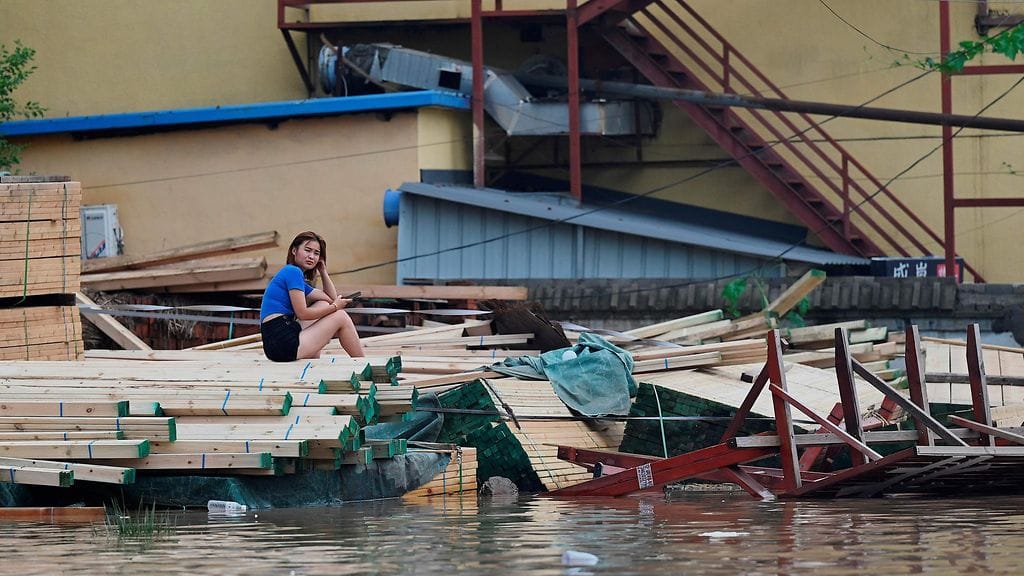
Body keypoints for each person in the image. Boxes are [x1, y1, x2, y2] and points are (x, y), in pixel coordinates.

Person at [260, 231, 365, 361]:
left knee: (323, 304)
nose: (312, 256)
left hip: (277, 342)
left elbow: (330, 298)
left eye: (316, 253)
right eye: (307, 250)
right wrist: (334, 307)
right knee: (341, 316)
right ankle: (362, 363)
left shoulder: (295, 276)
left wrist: (323, 271)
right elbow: (303, 313)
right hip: (282, 343)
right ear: (294, 250)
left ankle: (312, 356)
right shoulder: (293, 272)